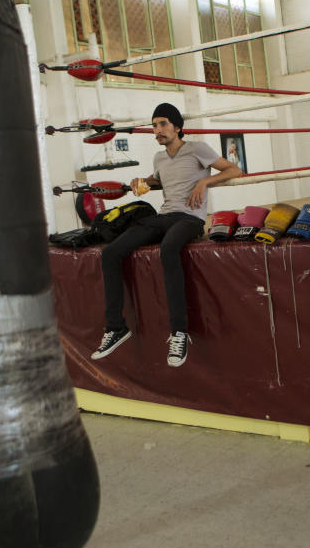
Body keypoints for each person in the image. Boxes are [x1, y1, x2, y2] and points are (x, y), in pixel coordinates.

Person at [92, 103, 242, 367]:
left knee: (168, 250)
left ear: (177, 126)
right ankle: (116, 327)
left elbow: (234, 170)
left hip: (190, 219)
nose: (157, 130)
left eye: (162, 124)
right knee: (110, 252)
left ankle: (179, 332)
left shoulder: (197, 149)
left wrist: (204, 181)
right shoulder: (159, 158)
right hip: (163, 216)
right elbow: (157, 179)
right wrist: (143, 182)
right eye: (154, 125)